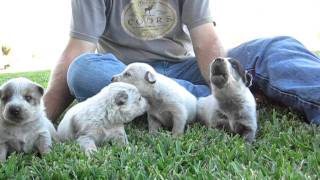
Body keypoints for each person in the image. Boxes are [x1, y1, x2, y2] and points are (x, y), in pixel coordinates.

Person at [44, 0, 320, 125]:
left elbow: (205, 40)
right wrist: (39, 121)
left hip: (185, 68)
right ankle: (218, 102)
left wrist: (226, 81)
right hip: (128, 76)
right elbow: (77, 51)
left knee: (274, 47)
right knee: (83, 70)